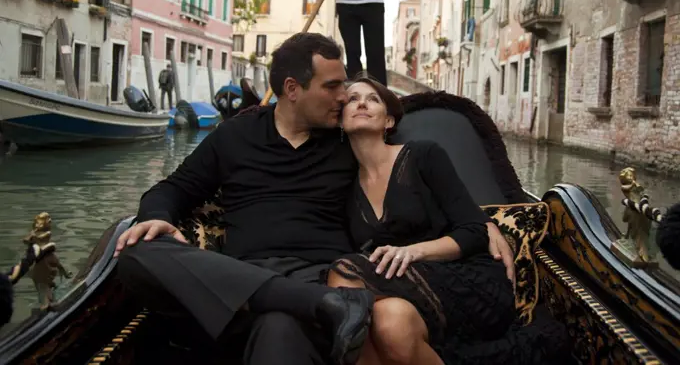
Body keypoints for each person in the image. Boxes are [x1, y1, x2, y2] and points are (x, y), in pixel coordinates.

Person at [114, 33, 514, 365]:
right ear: (292, 89)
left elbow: (412, 182)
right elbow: (172, 188)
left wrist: (487, 223)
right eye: (333, 86)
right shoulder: (234, 136)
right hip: (244, 286)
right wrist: (155, 215)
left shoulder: (346, 142)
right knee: (134, 253)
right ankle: (324, 304)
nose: (344, 97)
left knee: (279, 325)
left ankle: (318, 302)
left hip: (318, 275)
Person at [328, 76, 518, 365]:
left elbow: (474, 231)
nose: (362, 103)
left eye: (373, 99)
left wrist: (413, 251)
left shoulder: (423, 155)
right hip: (405, 294)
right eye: (352, 99)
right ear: (341, 122)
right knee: (389, 321)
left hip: (465, 280)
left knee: (344, 272)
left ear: (389, 121)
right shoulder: (345, 187)